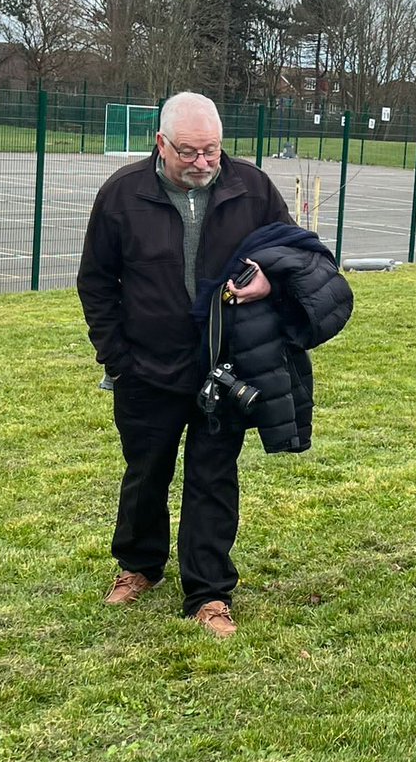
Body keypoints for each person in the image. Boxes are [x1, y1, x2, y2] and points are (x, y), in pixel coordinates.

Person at [77, 91, 294, 638]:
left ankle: (209, 592)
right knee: (146, 471)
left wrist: (270, 278)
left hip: (225, 367)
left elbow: (294, 251)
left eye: (212, 152)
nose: (202, 163)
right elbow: (96, 283)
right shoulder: (122, 194)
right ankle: (138, 565)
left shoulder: (253, 188)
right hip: (146, 370)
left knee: (212, 476)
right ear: (161, 144)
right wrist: (117, 358)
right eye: (190, 152)